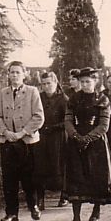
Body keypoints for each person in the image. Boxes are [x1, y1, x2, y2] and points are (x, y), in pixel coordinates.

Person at [64, 67, 111, 221]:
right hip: (76, 142)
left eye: (88, 81)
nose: (85, 84)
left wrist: (88, 138)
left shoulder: (103, 100)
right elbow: (68, 120)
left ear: (95, 82)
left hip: (96, 144)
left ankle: (96, 211)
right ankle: (76, 218)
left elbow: (104, 125)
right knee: (76, 177)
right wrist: (76, 136)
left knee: (96, 176)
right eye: (82, 82)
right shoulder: (73, 99)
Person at [0, 61, 44, 221]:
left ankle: (33, 206)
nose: (14, 75)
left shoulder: (32, 91)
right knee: (9, 178)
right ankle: (11, 212)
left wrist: (22, 133)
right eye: (11, 72)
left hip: (27, 141)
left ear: (24, 74)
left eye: (17, 72)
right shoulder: (4, 93)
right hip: (8, 141)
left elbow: (38, 116)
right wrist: (6, 133)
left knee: (29, 177)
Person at [36, 71, 69, 209]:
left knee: (60, 165)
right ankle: (40, 198)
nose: (46, 86)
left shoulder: (63, 99)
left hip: (58, 137)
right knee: (40, 166)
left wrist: (54, 127)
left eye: (49, 83)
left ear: (55, 83)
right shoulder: (38, 97)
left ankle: (64, 195)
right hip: (42, 136)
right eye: (43, 84)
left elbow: (68, 120)